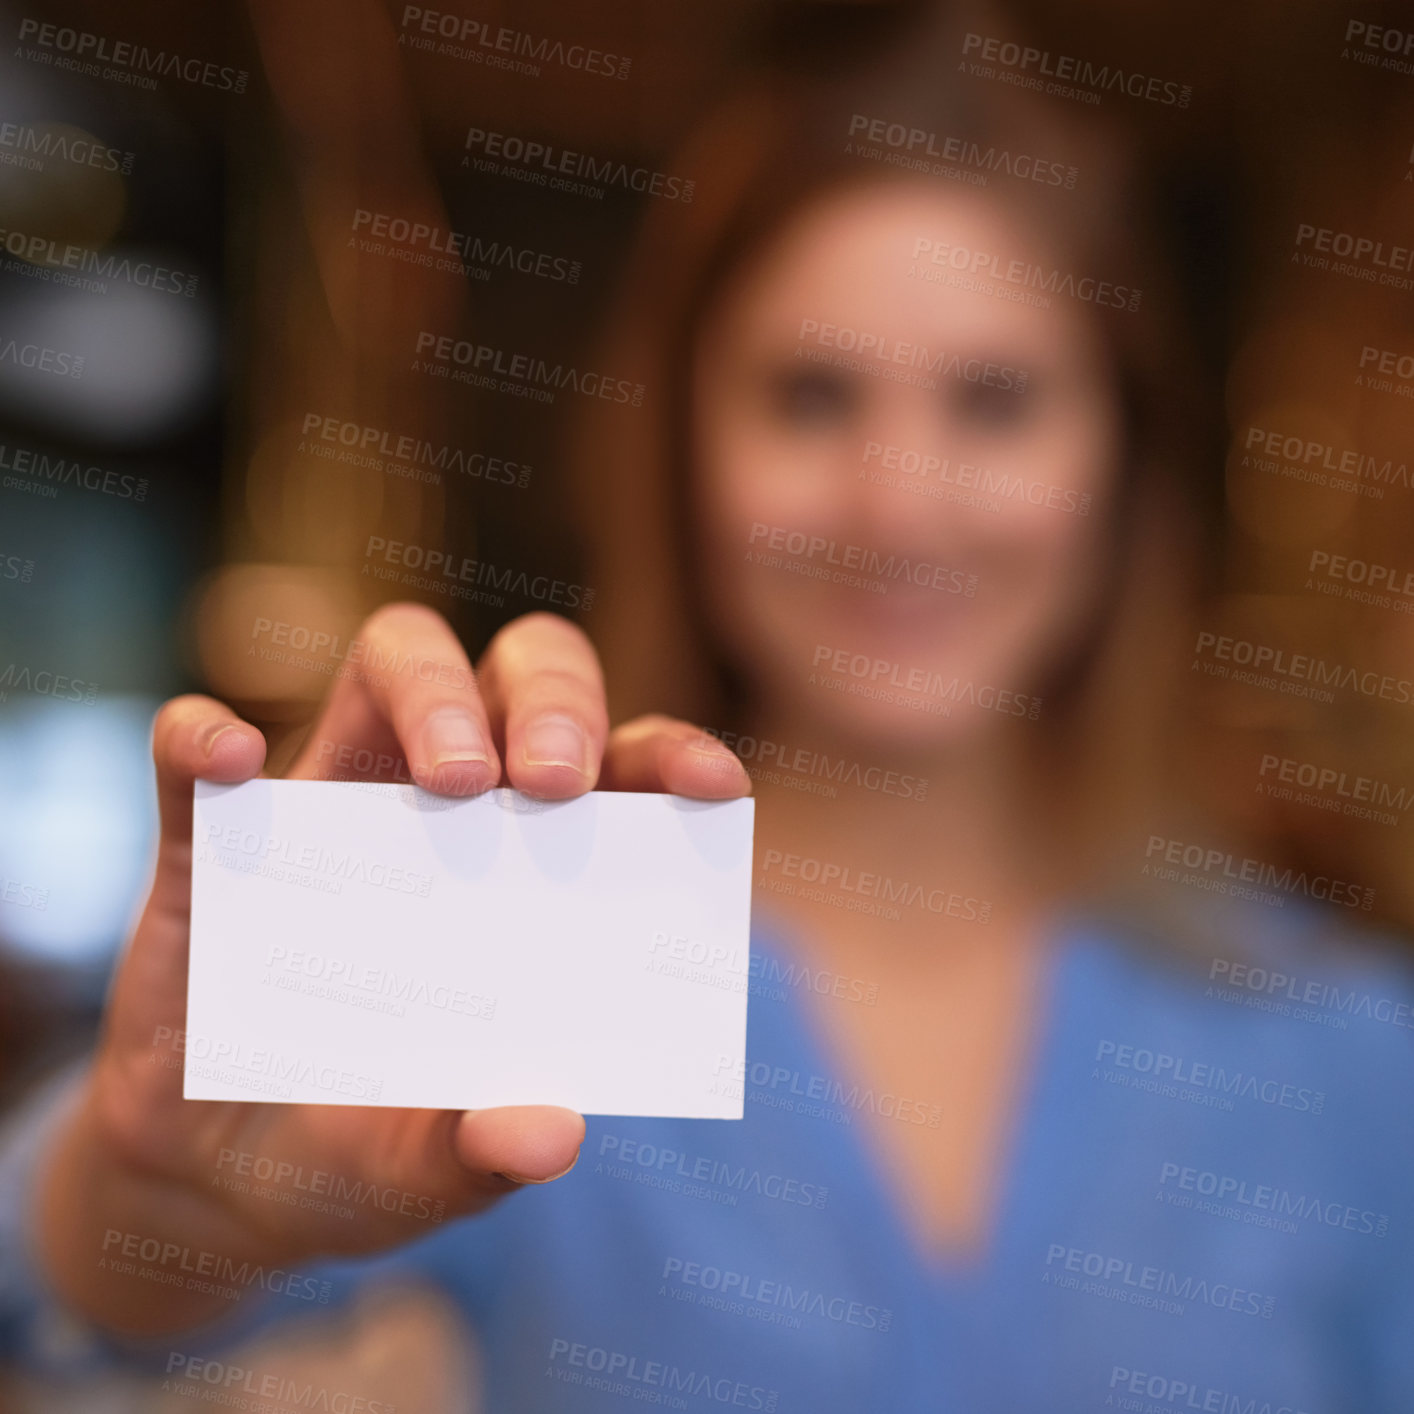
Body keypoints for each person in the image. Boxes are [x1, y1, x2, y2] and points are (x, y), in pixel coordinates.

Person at [5, 4, 1414, 1410]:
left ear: (1122, 455)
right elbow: (59, 1287)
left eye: (993, 400)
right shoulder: (534, 956)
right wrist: (144, 1193)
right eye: (809, 395)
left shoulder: (1345, 1052)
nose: (898, 500)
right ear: (678, 447)